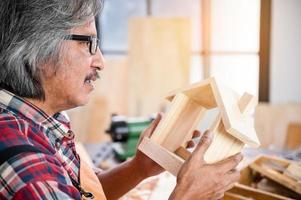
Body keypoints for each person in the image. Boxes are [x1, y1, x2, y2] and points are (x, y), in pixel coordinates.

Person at [0, 0, 242, 199]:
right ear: (38, 49)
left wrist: (139, 168)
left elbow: (83, 194)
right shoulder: (24, 162)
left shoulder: (45, 120)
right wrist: (188, 195)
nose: (100, 62)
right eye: (89, 44)